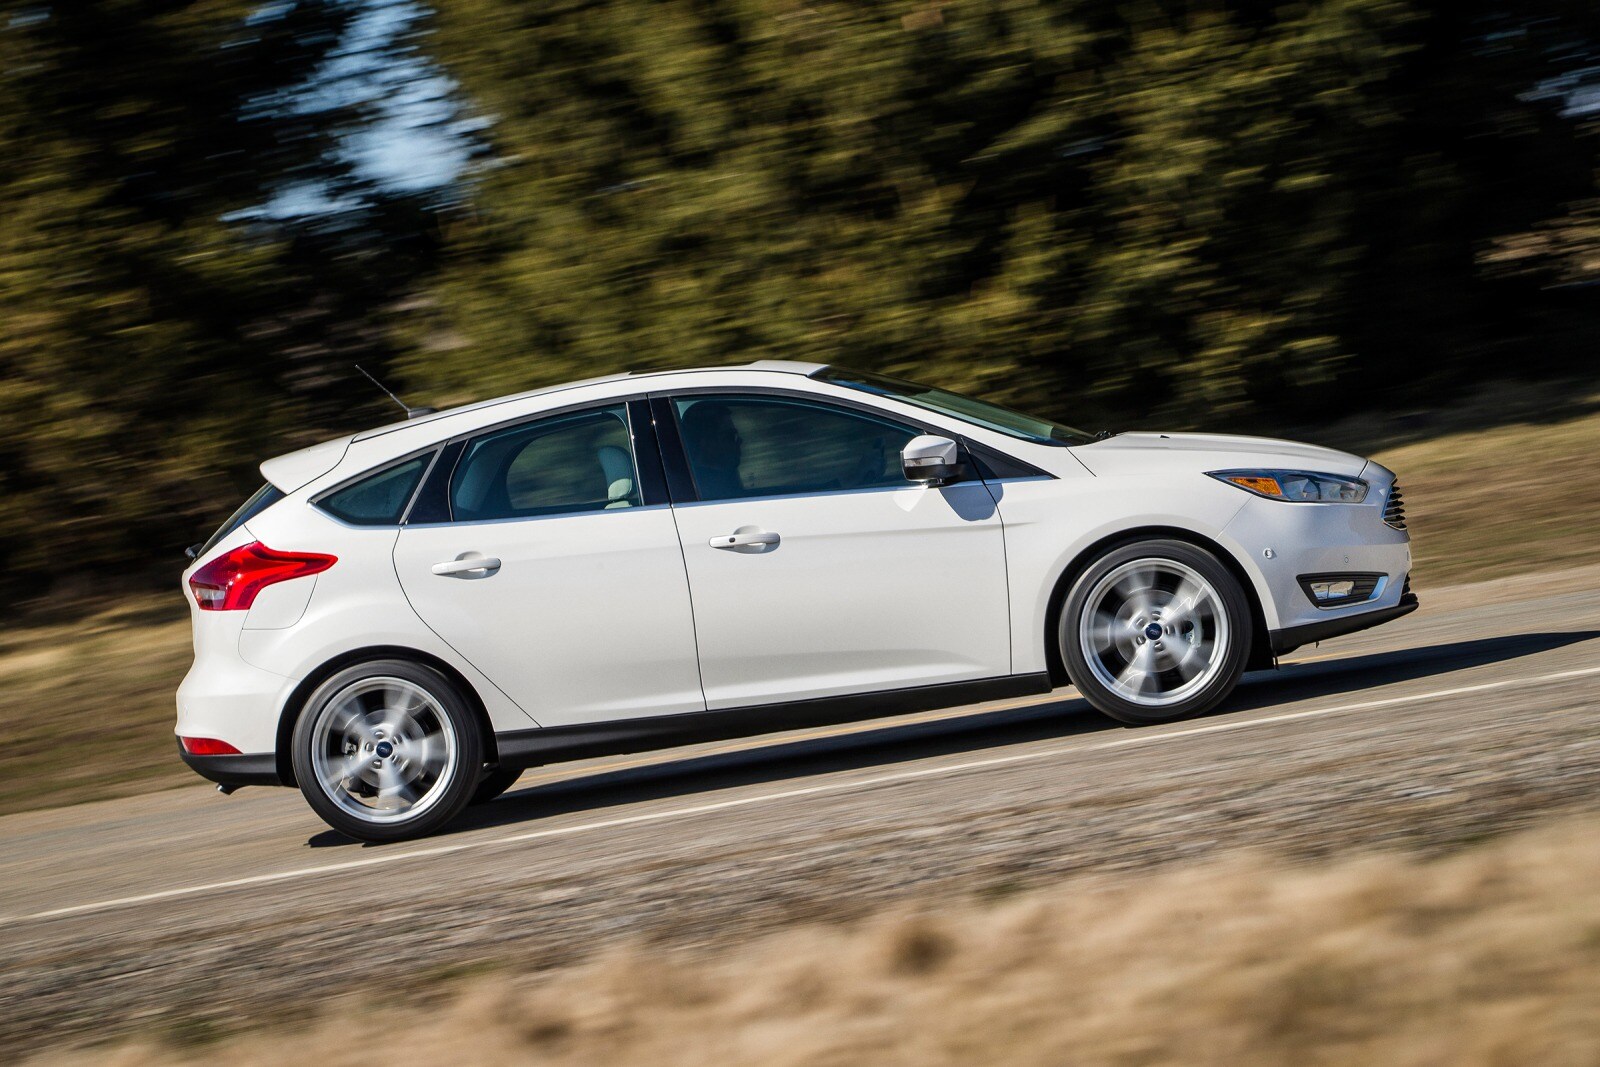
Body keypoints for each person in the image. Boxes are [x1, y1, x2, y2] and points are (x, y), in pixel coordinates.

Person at [679, 402, 745, 500]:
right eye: (730, 436)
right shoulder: (706, 491)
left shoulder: (727, 478)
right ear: (706, 443)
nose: (739, 441)